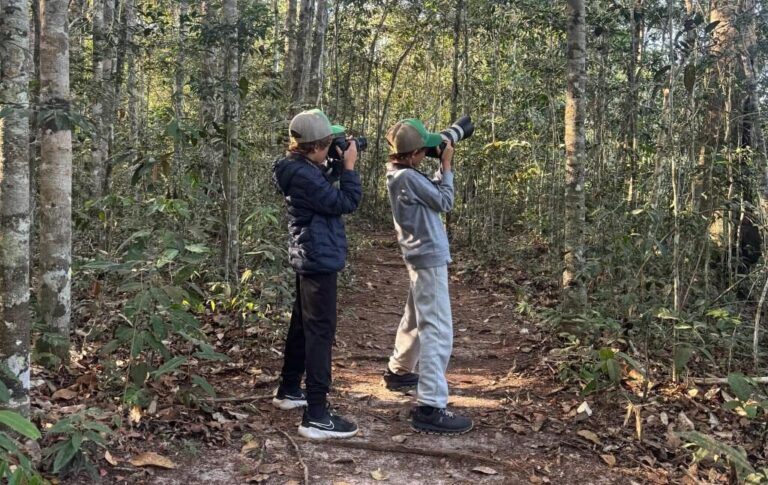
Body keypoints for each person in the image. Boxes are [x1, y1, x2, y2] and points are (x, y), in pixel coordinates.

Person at [272, 108, 362, 439]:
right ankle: (317, 415)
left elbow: (322, 185)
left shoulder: (299, 168)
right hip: (318, 258)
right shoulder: (304, 175)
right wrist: (349, 167)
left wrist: (336, 162)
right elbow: (345, 201)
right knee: (320, 333)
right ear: (316, 147)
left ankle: (289, 389)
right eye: (328, 145)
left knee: (302, 325)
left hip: (310, 255)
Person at [381, 118, 473, 434]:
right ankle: (430, 406)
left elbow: (430, 195)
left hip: (418, 257)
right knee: (437, 329)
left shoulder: (399, 174)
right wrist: (446, 166)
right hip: (428, 257)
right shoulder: (409, 177)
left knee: (415, 318)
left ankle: (399, 371)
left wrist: (438, 167)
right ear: (414, 154)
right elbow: (444, 200)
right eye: (425, 150)